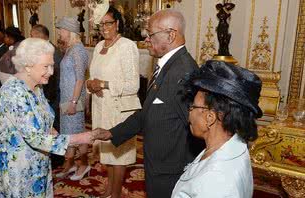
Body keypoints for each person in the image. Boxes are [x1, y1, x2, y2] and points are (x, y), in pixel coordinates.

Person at [91, 9, 204, 198]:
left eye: (150, 34)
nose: (146, 40)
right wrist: (112, 133)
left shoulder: (183, 71)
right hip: (158, 164)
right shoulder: (167, 65)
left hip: (170, 169)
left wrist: (190, 171)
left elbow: (198, 129)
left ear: (170, 35)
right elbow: (148, 112)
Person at [0, 38, 94, 197]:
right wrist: (79, 138)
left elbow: (44, 121)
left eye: (52, 65)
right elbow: (35, 138)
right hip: (19, 167)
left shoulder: (36, 87)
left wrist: (54, 132)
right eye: (46, 66)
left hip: (38, 161)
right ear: (27, 65)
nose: (52, 71)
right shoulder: (13, 92)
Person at [171, 60, 262, 198]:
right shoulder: (231, 144)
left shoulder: (215, 182)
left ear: (210, 117)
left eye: (193, 107)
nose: (189, 113)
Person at [86, 6, 141, 198]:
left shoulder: (127, 46)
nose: (104, 28)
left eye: (108, 23)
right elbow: (92, 77)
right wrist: (91, 85)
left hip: (119, 109)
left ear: (117, 23)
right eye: (101, 24)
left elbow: (133, 85)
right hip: (101, 107)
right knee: (107, 153)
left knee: (118, 155)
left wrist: (104, 84)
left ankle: (115, 194)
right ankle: (110, 189)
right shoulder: (100, 46)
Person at [54, 17, 90, 181]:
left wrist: (74, 102)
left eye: (61, 29)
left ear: (69, 31)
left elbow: (80, 79)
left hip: (73, 100)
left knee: (78, 134)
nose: (59, 33)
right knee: (68, 133)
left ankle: (84, 164)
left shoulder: (78, 50)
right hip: (66, 99)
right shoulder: (70, 49)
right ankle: (70, 164)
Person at [30, 24, 63, 132]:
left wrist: (48, 96)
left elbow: (55, 77)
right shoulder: (45, 49)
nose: (31, 39)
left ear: (40, 36)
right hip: (46, 94)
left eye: (32, 36)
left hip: (52, 96)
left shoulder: (53, 51)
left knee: (54, 124)